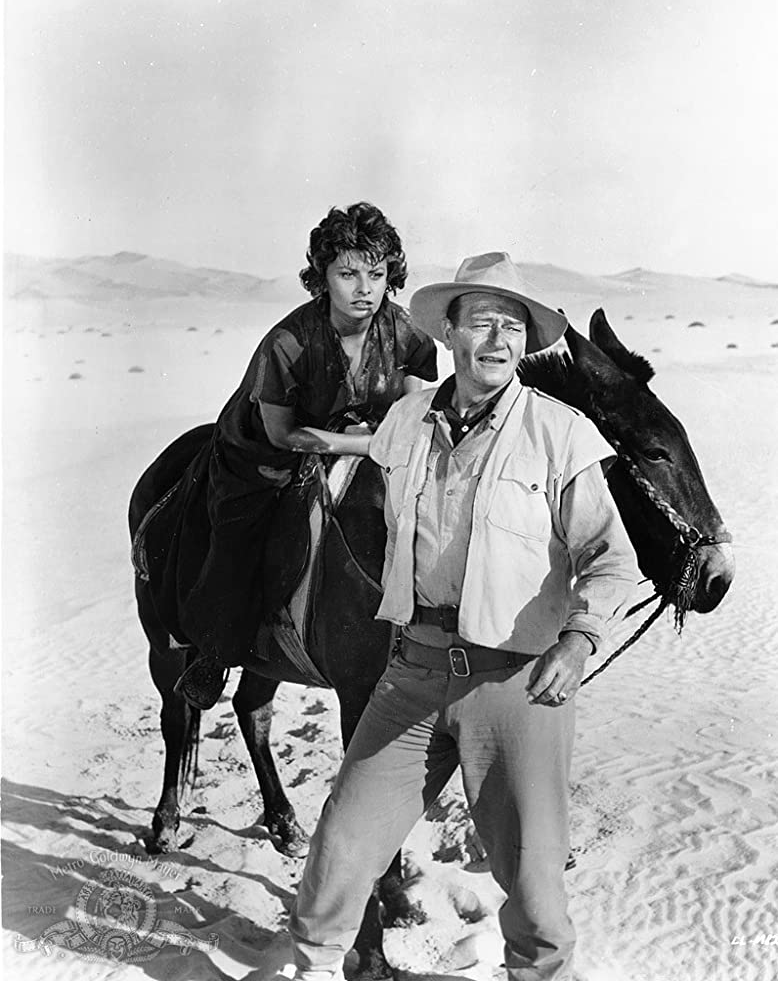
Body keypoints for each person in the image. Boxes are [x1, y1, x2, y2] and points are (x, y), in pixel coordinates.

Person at [286, 251, 640, 980]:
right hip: (411, 674)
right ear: (449, 333)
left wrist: (579, 639)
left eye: (513, 326)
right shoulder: (406, 421)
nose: (498, 340)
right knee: (341, 848)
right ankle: (312, 967)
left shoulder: (560, 432)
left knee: (535, 884)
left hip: (514, 684)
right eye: (481, 322)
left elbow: (610, 557)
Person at [145, 202, 438, 709]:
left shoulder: (406, 333)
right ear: (322, 277)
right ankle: (216, 650)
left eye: (376, 274)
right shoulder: (288, 342)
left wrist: (382, 442)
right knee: (238, 534)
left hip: (362, 441)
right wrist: (367, 443)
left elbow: (411, 417)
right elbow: (283, 434)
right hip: (263, 454)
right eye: (348, 274)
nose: (364, 289)